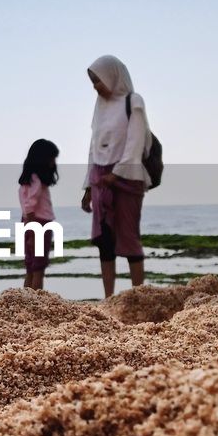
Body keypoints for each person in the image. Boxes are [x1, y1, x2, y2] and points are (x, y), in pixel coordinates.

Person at [80, 55, 151, 297]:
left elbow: (136, 141)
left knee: (129, 236)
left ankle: (137, 294)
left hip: (127, 177)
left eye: (98, 80)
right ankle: (108, 296)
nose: (95, 87)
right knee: (104, 239)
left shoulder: (133, 101)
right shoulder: (99, 107)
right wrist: (89, 187)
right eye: (92, 82)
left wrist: (118, 173)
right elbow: (94, 146)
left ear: (112, 77)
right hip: (100, 177)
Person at [18, 138, 59, 290]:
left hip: (28, 222)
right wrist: (34, 233)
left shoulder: (27, 181)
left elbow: (26, 205)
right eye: (52, 158)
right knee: (38, 269)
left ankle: (25, 300)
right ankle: (36, 303)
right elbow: (31, 204)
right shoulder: (37, 181)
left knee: (30, 267)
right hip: (39, 223)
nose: (54, 163)